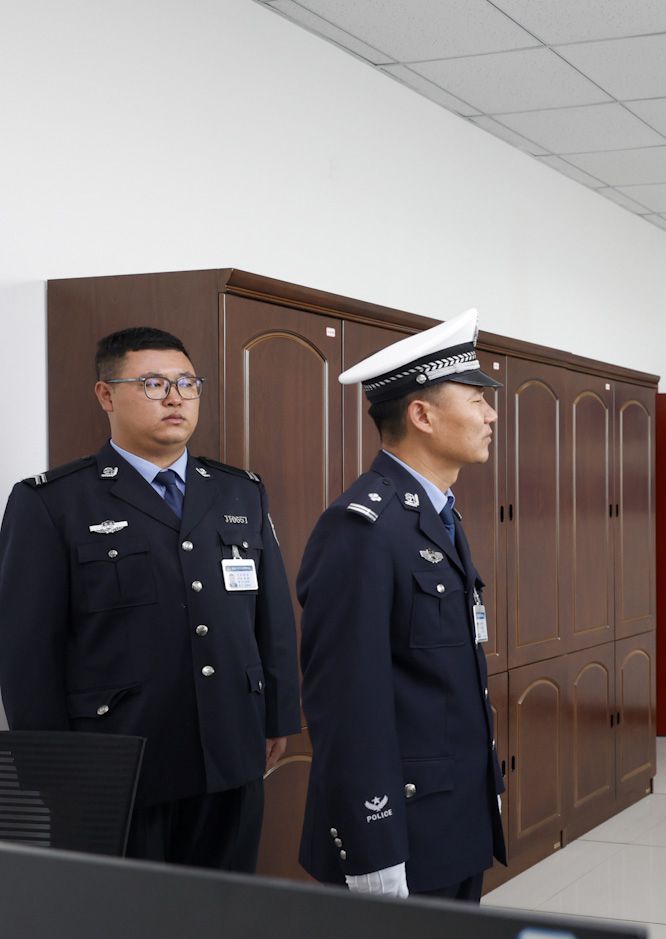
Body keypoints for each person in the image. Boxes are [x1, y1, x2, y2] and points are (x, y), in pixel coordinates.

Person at [0, 326, 298, 870]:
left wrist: (278, 713)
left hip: (231, 750)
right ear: (106, 395)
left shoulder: (239, 491)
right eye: (154, 384)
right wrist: (50, 767)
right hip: (116, 763)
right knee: (125, 917)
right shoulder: (52, 502)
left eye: (187, 383)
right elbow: (26, 650)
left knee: (223, 906)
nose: (175, 398)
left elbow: (271, 615)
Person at [297, 309, 505, 903]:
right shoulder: (362, 528)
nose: (491, 415)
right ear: (422, 415)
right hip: (401, 832)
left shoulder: (435, 514)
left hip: (453, 819)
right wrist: (374, 849)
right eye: (476, 399)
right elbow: (348, 706)